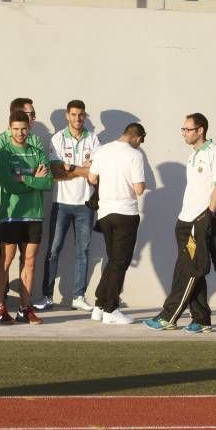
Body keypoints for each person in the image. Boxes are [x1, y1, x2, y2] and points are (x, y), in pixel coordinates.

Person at [144, 113, 216, 334]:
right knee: (191, 270)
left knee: (189, 271)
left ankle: (168, 316)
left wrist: (207, 217)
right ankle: (201, 320)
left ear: (200, 130)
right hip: (185, 221)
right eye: (183, 129)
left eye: (187, 129)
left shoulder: (214, 153)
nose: (184, 133)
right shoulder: (193, 156)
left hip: (198, 222)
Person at [36, 100, 100, 312]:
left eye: (81, 114)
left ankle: (78, 296)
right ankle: (47, 296)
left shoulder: (93, 139)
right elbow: (55, 173)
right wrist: (82, 170)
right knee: (53, 251)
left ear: (85, 116)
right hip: (61, 204)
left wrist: (70, 168)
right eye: (73, 114)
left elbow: (96, 175)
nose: (78, 118)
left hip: (85, 205)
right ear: (67, 115)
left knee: (83, 251)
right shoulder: (57, 139)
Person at [0, 109, 52, 325]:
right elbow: (8, 186)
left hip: (34, 215)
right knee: (5, 261)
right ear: (9, 129)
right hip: (11, 215)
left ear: (29, 128)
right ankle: (0, 309)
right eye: (16, 129)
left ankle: (25, 309)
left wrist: (22, 178)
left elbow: (47, 183)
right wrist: (32, 179)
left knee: (30, 263)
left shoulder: (37, 152)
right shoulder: (3, 153)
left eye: (23, 129)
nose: (20, 133)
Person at [87, 123, 147, 325]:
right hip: (125, 213)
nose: (141, 144)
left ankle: (99, 305)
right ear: (137, 137)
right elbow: (139, 189)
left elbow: (92, 177)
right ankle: (111, 309)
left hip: (104, 214)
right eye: (142, 140)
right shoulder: (134, 155)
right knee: (119, 262)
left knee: (113, 260)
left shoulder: (102, 150)